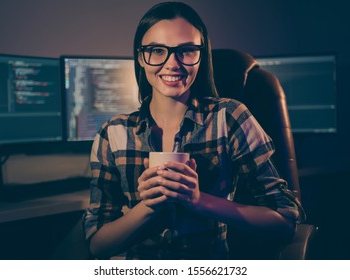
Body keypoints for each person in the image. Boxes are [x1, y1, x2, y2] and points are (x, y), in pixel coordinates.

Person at [83, 1, 301, 260]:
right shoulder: (113, 133)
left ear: (202, 55)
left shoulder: (229, 117)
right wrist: (148, 207)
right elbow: (97, 246)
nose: (172, 63)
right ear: (141, 57)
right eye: (156, 50)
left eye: (186, 51)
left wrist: (198, 200)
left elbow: (285, 222)